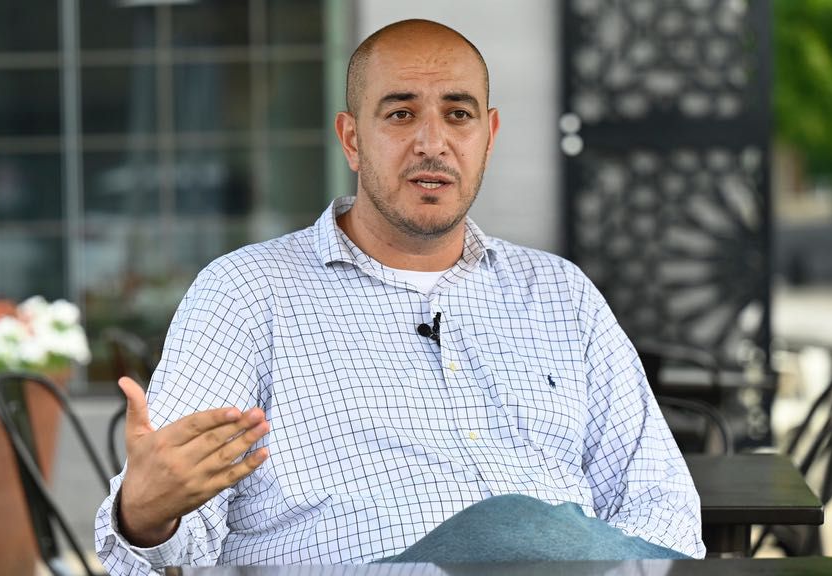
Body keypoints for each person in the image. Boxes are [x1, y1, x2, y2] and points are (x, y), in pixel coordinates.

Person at [95, 19, 705, 572]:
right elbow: (170, 528)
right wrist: (147, 513)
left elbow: (658, 499)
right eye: (401, 114)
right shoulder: (247, 294)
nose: (432, 143)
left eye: (458, 114)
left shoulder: (561, 294)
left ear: (488, 135)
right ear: (352, 138)